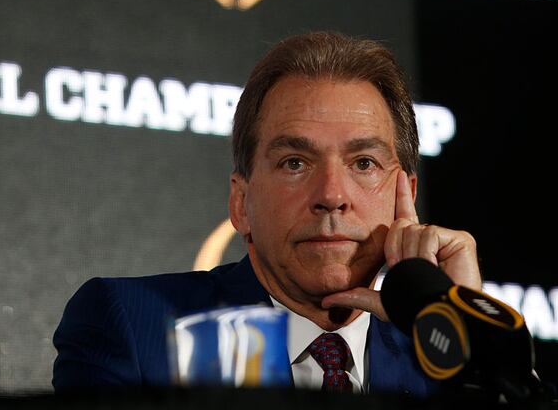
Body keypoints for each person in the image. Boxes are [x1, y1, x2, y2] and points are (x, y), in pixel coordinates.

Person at [52, 31, 481, 397]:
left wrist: (474, 338)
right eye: (295, 162)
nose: (332, 195)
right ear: (241, 203)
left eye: (364, 163)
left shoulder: (445, 361)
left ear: (406, 194)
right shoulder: (135, 327)